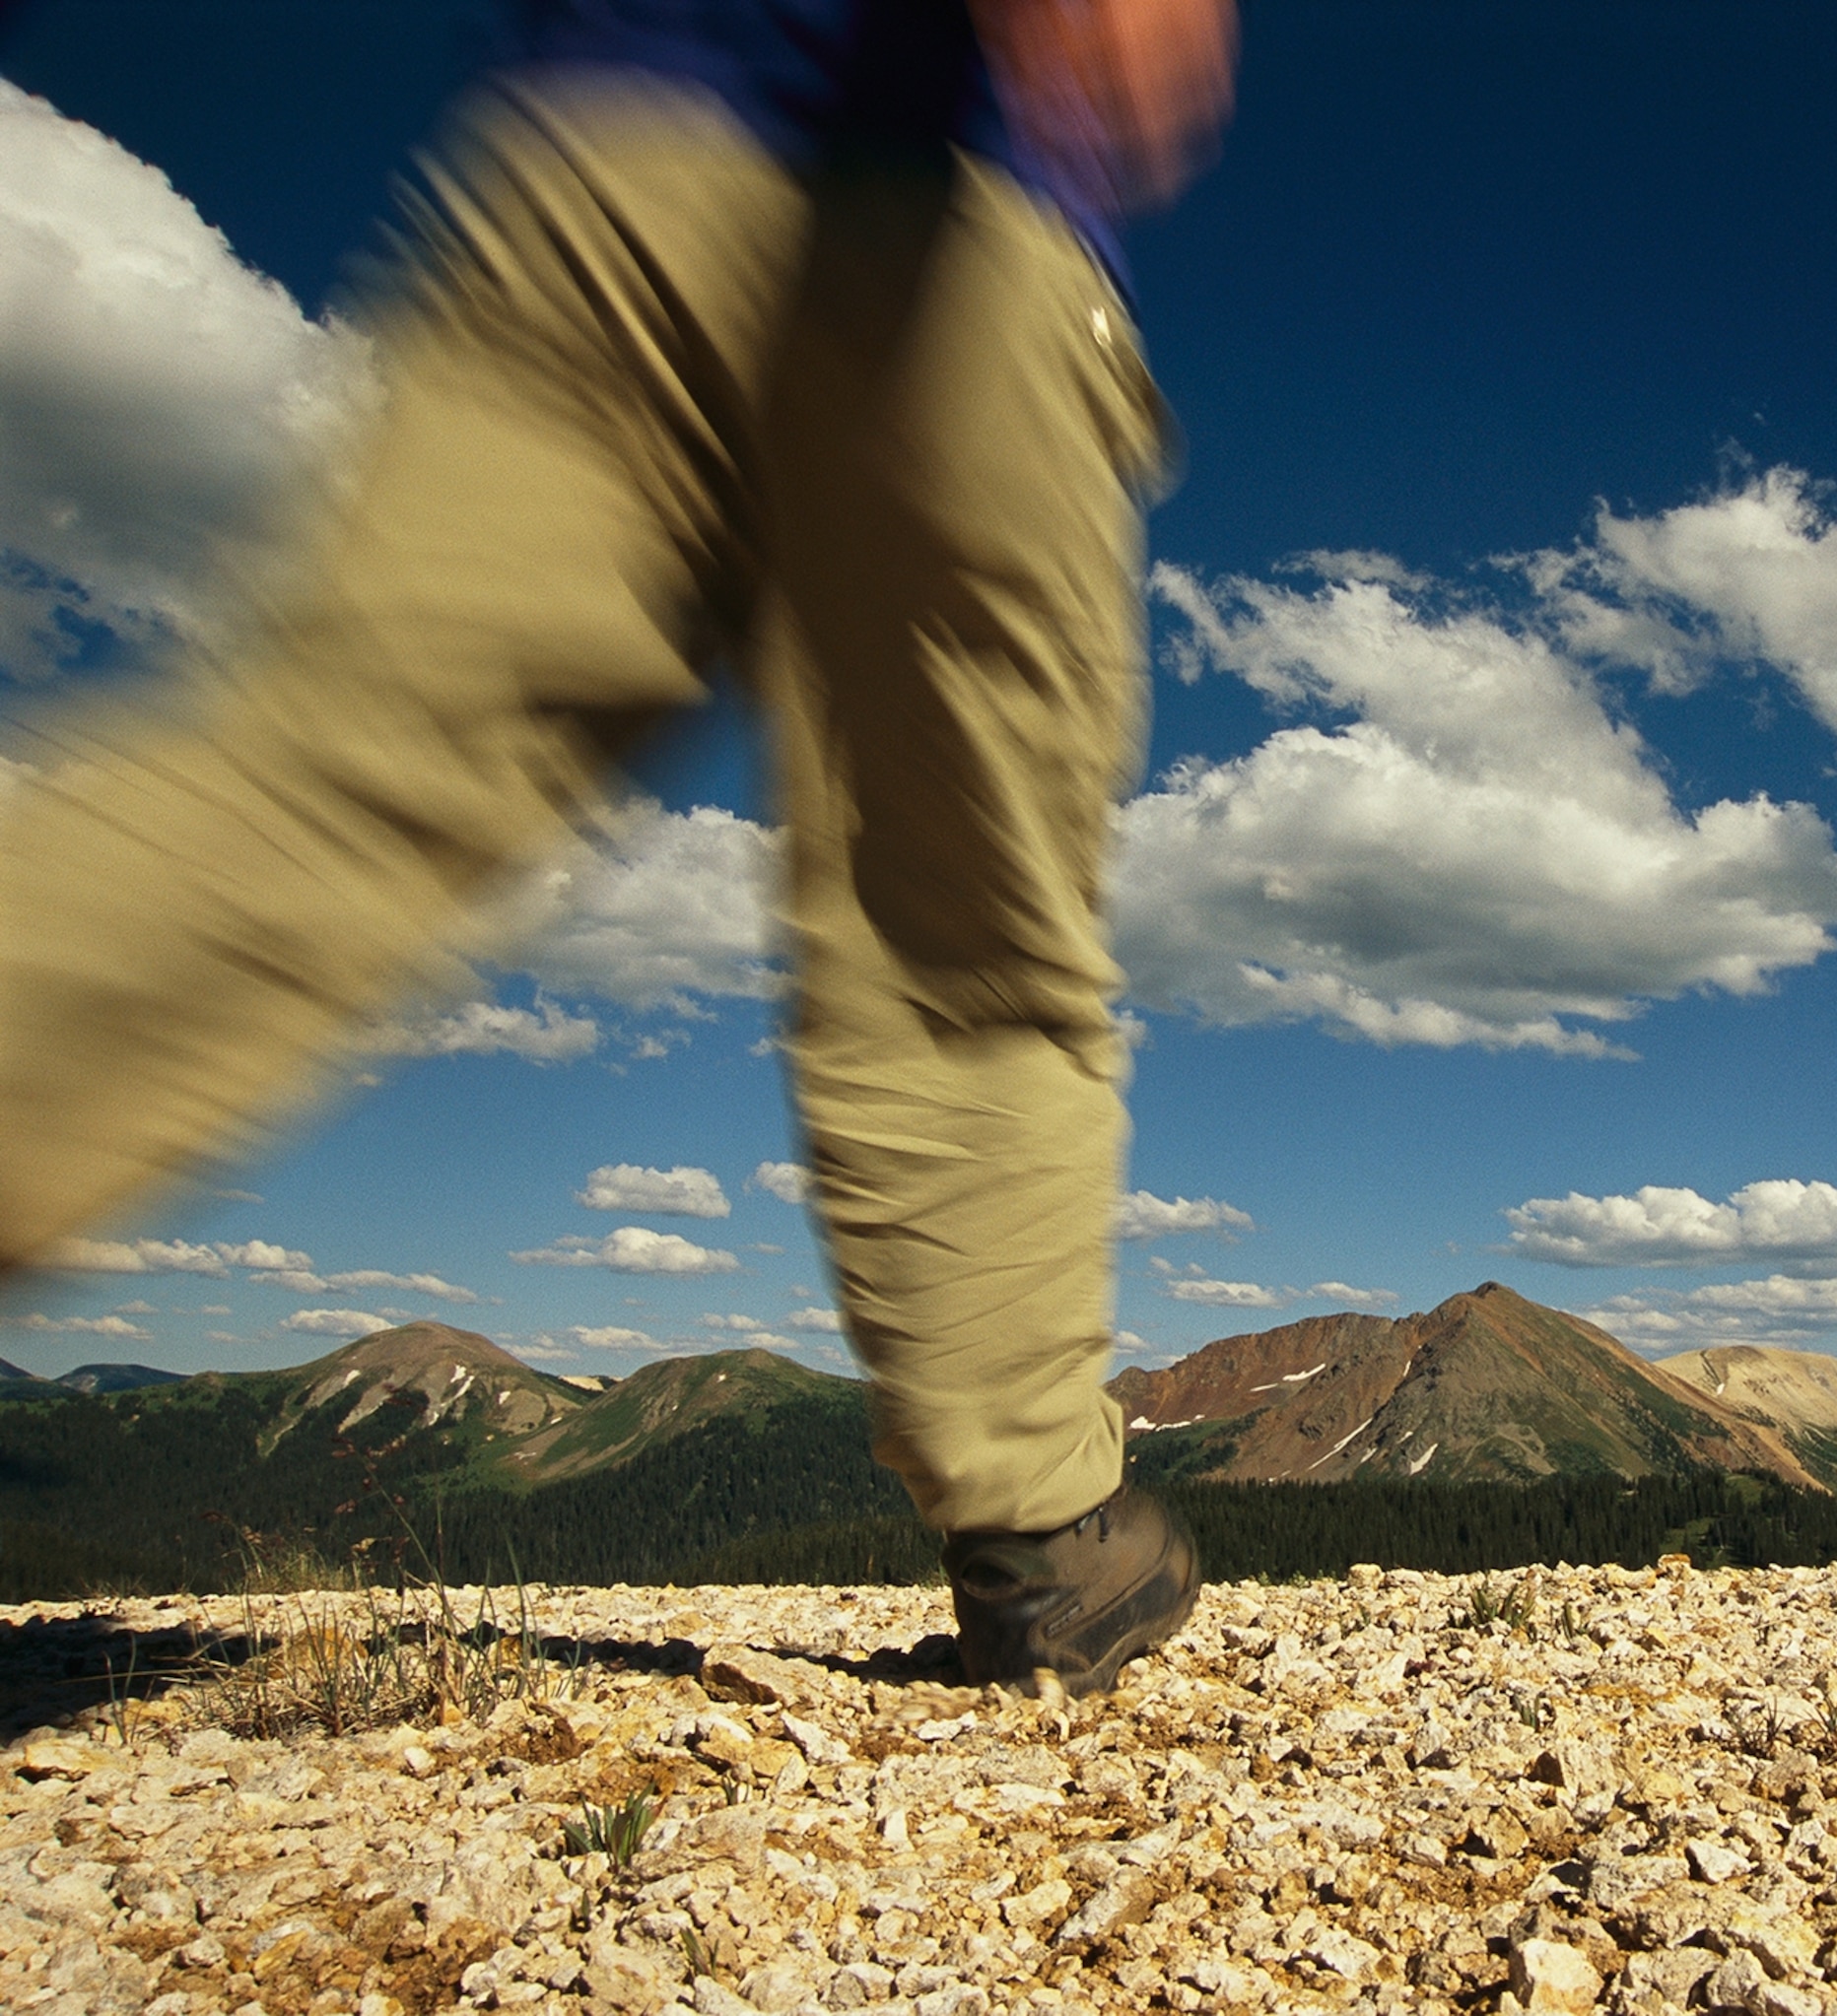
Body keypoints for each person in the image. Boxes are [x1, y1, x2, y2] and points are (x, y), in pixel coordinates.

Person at [0, 0, 1236, 1695]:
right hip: (949, 209)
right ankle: (1040, 1525)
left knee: (323, 777)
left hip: (589, 162)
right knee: (962, 931)